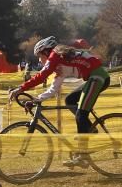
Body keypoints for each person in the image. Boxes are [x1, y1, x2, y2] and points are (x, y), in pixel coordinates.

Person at [8, 37, 110, 168]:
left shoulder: (54, 54)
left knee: (80, 114)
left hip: (98, 77)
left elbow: (42, 76)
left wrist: (20, 88)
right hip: (94, 77)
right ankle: (89, 128)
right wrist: (35, 100)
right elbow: (53, 89)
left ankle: (82, 156)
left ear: (45, 52)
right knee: (70, 100)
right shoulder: (60, 64)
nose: (39, 60)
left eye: (39, 56)